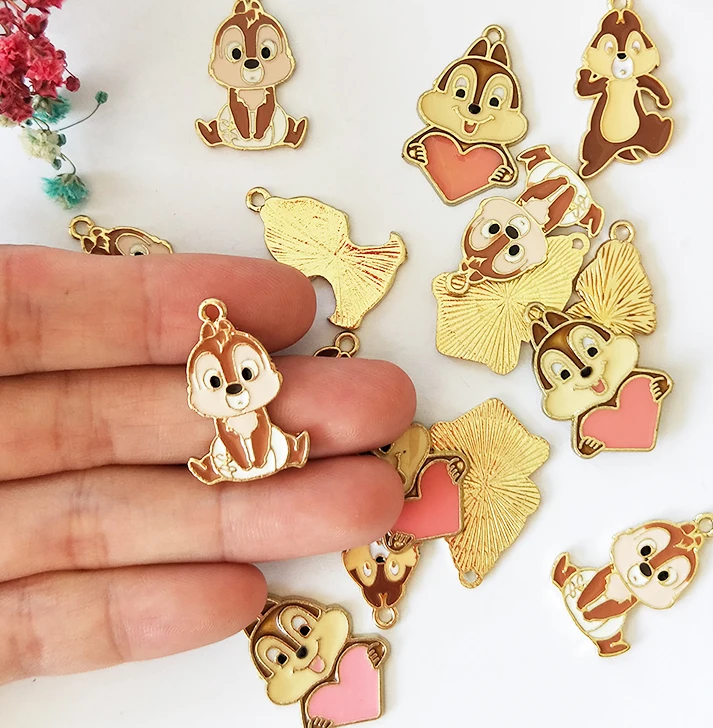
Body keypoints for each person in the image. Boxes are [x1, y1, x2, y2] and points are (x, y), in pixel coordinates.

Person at [0, 246, 415, 685]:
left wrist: (269, 453)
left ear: (268, 374)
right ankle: (234, 464)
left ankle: (282, 453)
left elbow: (260, 427)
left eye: (246, 375)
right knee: (232, 450)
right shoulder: (218, 416)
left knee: (275, 445)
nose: (235, 387)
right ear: (200, 394)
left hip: (266, 444)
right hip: (232, 451)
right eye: (217, 381)